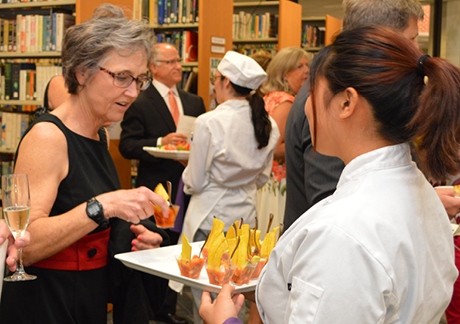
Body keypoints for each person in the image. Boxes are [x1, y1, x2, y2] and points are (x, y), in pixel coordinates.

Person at [200, 25, 460, 324]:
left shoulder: (341, 233)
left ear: (346, 103)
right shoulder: (419, 192)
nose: (306, 106)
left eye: (311, 91)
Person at [0, 9, 170, 324]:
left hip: (86, 298)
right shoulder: (48, 137)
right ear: (81, 72)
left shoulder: (99, 134)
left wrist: (137, 238)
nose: (132, 92)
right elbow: (23, 244)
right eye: (121, 77)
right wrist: (102, 206)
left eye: (139, 80)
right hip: (45, 304)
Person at [284, 0, 425, 230]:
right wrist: (412, 205)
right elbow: (331, 203)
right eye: (411, 39)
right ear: (381, 37)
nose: (417, 50)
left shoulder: (363, 90)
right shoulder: (332, 92)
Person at [181, 51, 279, 324]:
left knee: (205, 297)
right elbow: (262, 178)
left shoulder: (208, 121)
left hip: (208, 216)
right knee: (238, 289)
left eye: (215, 79)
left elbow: (195, 182)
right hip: (245, 216)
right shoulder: (268, 124)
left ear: (225, 81)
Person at [119, 42, 205, 324]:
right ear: (153, 68)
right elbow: (127, 145)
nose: (179, 66)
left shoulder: (194, 101)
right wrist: (159, 143)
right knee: (159, 245)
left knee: (183, 245)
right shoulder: (139, 101)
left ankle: (172, 306)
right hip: (158, 188)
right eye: (170, 62)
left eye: (179, 61)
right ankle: (157, 309)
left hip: (190, 186)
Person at [256, 47, 310, 236]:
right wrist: (309, 146)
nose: (307, 70)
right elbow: (276, 148)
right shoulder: (286, 102)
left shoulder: (269, 97)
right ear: (285, 73)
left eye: (307, 65)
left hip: (268, 181)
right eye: (299, 66)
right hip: (279, 184)